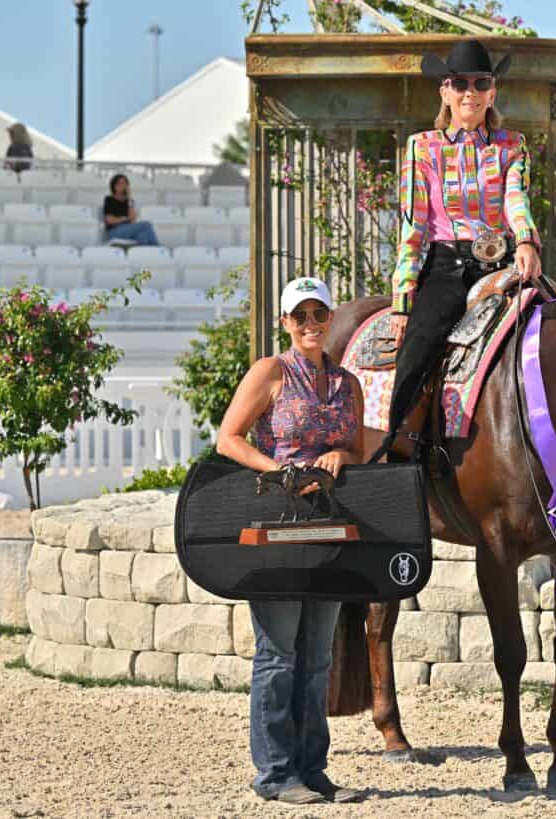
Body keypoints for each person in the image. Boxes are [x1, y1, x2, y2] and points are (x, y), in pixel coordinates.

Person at [216, 276, 367, 806]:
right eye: (299, 316)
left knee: (318, 656)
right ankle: (276, 773)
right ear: (284, 323)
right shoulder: (270, 372)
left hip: (330, 526)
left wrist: (342, 458)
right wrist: (279, 468)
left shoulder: (348, 384)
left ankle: (313, 767)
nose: (309, 324)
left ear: (329, 320)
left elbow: (359, 448)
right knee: (279, 652)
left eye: (318, 314)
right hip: (277, 520)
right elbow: (228, 437)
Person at [372, 39, 542, 461]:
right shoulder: (422, 148)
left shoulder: (512, 146)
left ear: (492, 91)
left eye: (480, 82)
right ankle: (398, 454)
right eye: (460, 83)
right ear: (445, 91)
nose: (470, 92)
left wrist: (525, 240)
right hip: (446, 266)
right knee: (417, 348)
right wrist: (402, 300)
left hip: (501, 264)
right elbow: (413, 226)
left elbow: (515, 199)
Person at [103, 173, 159, 246]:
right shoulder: (109, 199)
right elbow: (108, 220)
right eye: (120, 183)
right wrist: (123, 219)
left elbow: (132, 220)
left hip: (128, 229)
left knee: (143, 236)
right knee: (147, 225)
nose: (123, 186)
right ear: (114, 186)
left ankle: (145, 255)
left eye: (125, 183)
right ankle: (158, 248)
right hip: (115, 231)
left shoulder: (130, 201)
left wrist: (129, 198)